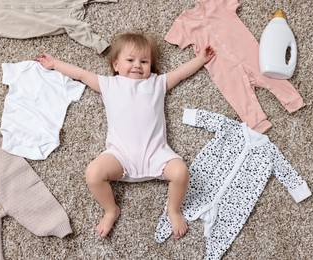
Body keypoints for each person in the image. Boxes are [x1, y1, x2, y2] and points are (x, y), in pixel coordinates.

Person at [35, 32, 215, 239]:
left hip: (157, 154)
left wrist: (200, 59)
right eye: (130, 60)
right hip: (120, 156)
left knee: (181, 172)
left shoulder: (156, 83)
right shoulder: (109, 85)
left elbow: (181, 73)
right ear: (116, 65)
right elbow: (82, 75)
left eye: (144, 61)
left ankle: (174, 210)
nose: (137, 65)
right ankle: (111, 209)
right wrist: (55, 64)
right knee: (93, 174)